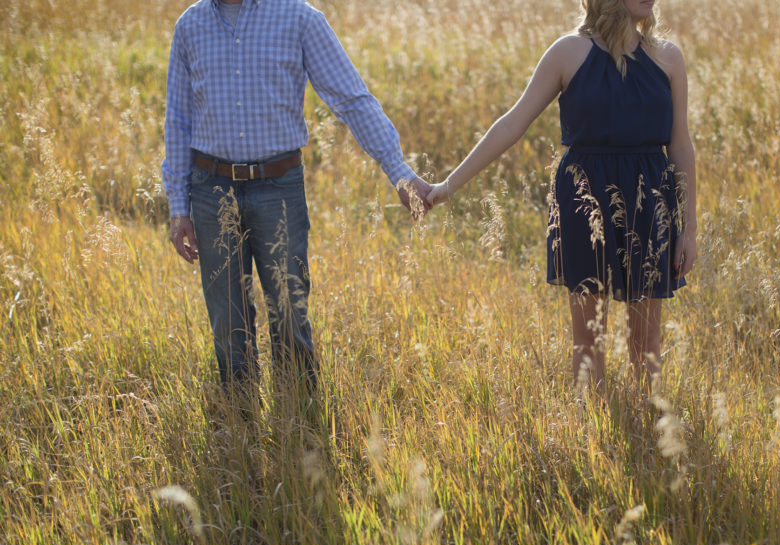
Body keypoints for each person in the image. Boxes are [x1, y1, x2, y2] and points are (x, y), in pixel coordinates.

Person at [161, 0, 431, 407]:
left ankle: (301, 423)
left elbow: (351, 98)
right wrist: (178, 207)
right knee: (227, 323)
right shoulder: (190, 25)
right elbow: (178, 120)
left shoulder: (300, 18)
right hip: (210, 189)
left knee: (290, 317)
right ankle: (241, 430)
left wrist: (398, 171)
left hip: (278, 188)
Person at [427, 0, 697, 396]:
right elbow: (512, 125)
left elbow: (681, 145)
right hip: (584, 201)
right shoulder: (568, 53)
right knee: (589, 341)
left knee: (646, 344)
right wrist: (446, 187)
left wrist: (689, 227)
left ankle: (654, 438)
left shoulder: (668, 58)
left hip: (649, 203)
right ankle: (593, 437)